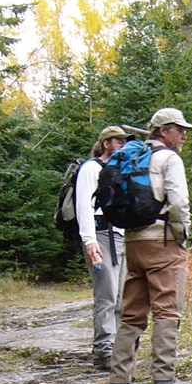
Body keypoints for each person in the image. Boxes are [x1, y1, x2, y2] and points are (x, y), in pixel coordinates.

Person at [107, 107, 192, 384]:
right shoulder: (169, 159)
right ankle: (164, 378)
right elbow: (179, 203)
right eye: (177, 128)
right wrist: (181, 237)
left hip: (133, 243)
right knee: (167, 309)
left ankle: (119, 381)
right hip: (163, 241)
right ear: (162, 131)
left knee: (132, 311)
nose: (183, 134)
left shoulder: (131, 158)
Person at [76, 126, 133, 370]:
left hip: (119, 236)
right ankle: (103, 350)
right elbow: (84, 206)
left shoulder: (118, 170)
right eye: (119, 140)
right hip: (100, 236)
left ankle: (119, 350)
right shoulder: (91, 169)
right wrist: (89, 240)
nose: (123, 144)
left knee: (122, 296)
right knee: (107, 295)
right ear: (106, 143)